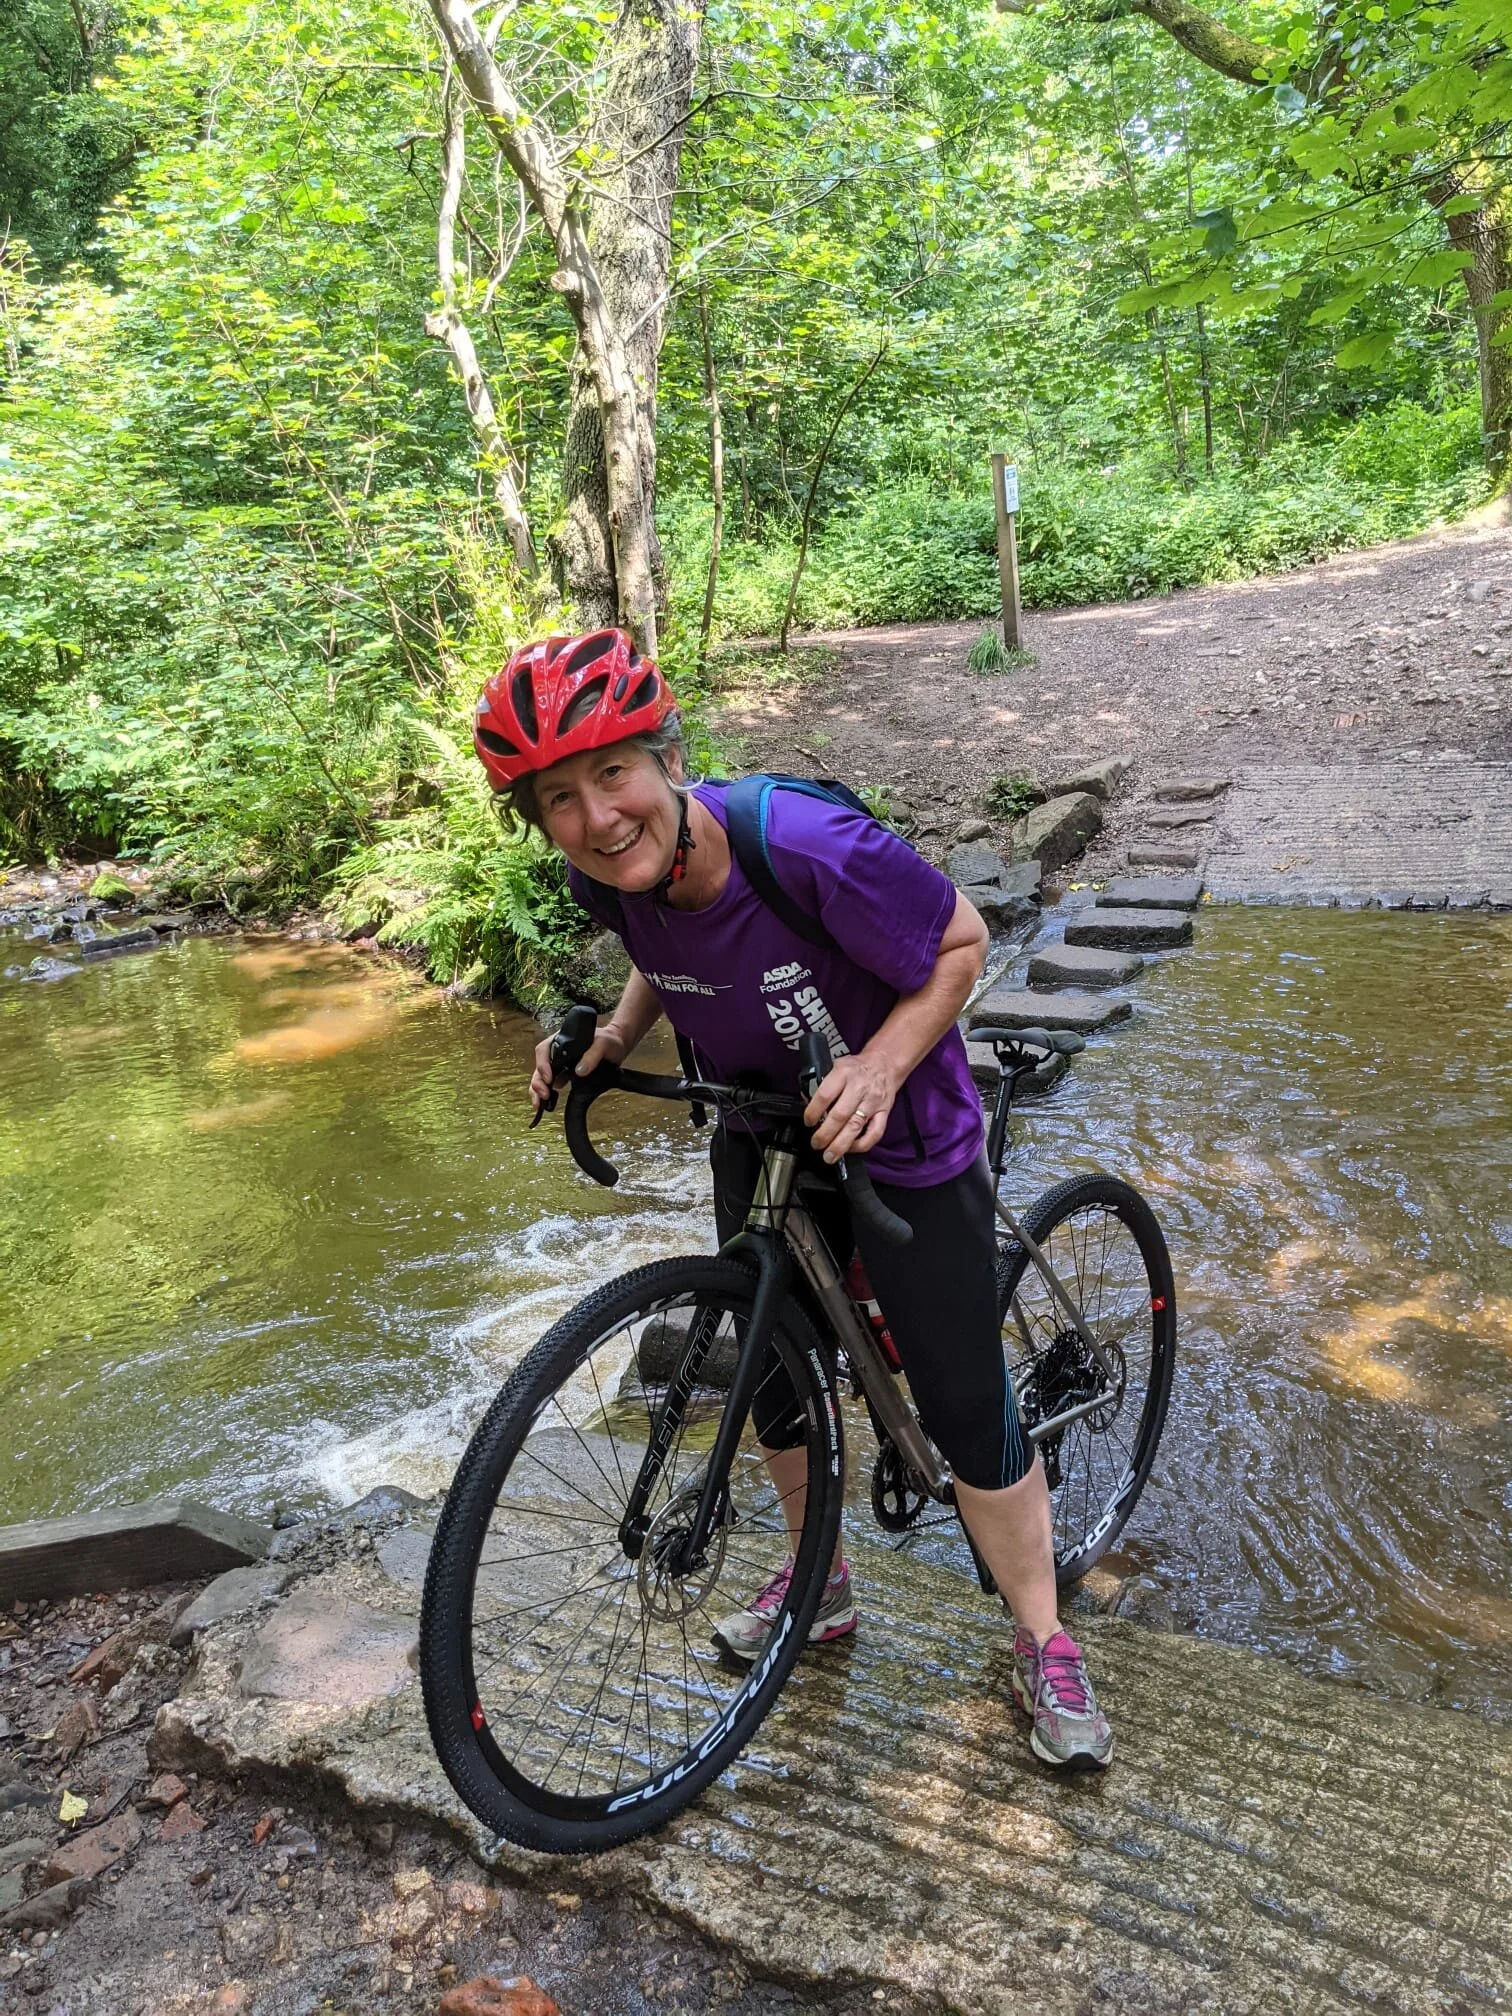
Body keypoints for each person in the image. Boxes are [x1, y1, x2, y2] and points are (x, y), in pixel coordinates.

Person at [474, 626, 1113, 1771]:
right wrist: (615, 1036)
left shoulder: (801, 842)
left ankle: (1043, 1634)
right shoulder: (599, 868)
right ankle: (818, 1581)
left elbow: (961, 942)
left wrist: (879, 1066)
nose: (595, 817)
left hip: (902, 1130)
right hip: (762, 1126)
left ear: (667, 757)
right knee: (774, 1376)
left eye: (611, 774)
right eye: (558, 798)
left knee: (965, 1406)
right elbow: (648, 934)